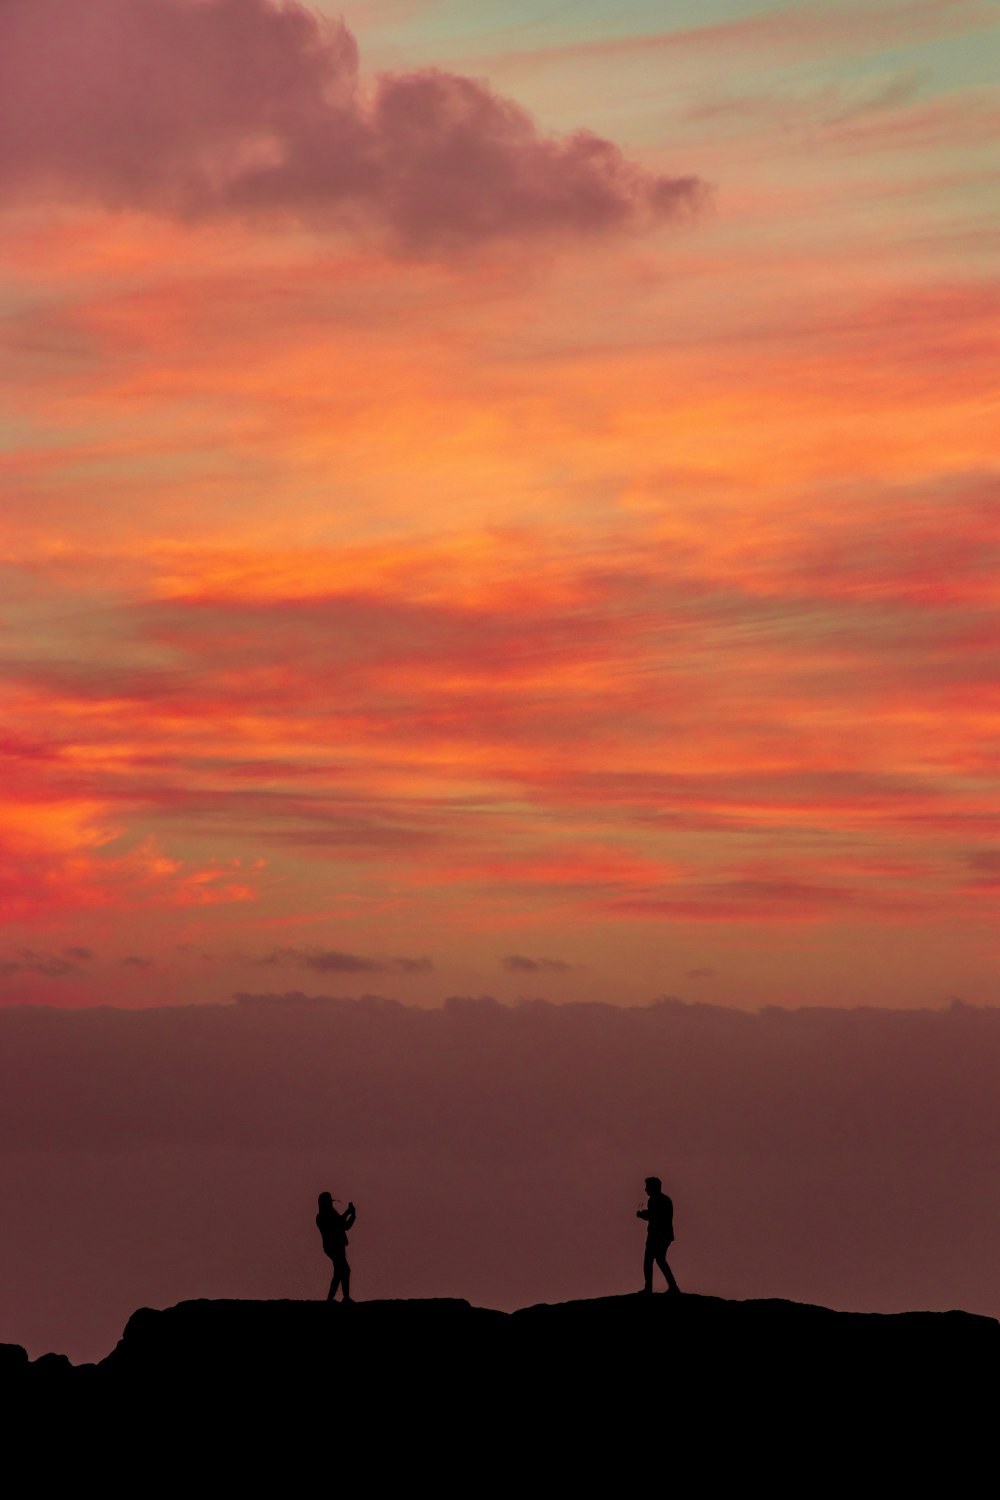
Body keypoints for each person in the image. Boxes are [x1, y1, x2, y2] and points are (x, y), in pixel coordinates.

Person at [637, 1175, 680, 1295]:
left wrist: (641, 1215)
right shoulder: (665, 1199)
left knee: (649, 1261)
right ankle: (673, 1287)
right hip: (665, 1235)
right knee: (660, 1260)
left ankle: (648, 1288)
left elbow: (654, 1216)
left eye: (647, 1187)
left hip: (656, 1235)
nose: (645, 1189)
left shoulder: (654, 1200)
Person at [316, 1191, 356, 1302]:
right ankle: (342, 1298)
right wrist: (349, 1213)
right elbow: (340, 1224)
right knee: (343, 1270)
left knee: (340, 1271)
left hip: (336, 1246)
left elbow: (344, 1225)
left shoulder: (326, 1215)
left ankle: (335, 1298)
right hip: (334, 1247)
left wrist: (351, 1214)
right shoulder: (322, 1217)